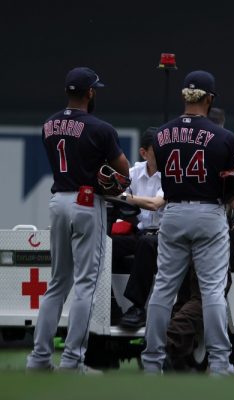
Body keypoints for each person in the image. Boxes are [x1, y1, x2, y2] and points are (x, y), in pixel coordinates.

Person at [141, 70, 234, 377]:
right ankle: (219, 363)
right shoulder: (225, 138)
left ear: (184, 96)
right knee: (213, 291)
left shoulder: (161, 134)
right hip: (208, 213)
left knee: (163, 289)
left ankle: (151, 362)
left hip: (173, 212)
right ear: (210, 98)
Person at [27, 67, 130, 373]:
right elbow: (122, 170)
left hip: (58, 199)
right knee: (85, 284)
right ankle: (72, 360)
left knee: (57, 283)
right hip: (87, 201)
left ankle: (39, 358)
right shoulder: (101, 129)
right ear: (90, 93)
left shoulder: (49, 125)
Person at [111, 127, 164, 329]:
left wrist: (124, 197)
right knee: (106, 245)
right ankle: (110, 302)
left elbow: (155, 204)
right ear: (143, 153)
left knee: (146, 242)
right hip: (142, 234)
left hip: (165, 238)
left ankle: (137, 307)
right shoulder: (133, 173)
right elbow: (114, 189)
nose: (163, 154)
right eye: (157, 150)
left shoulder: (171, 174)